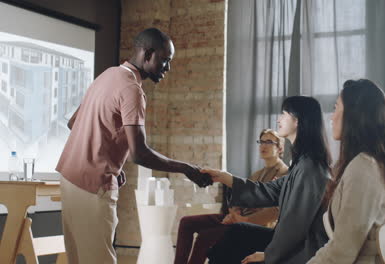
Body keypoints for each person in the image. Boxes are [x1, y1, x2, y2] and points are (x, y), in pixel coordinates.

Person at [56, 28, 210, 264]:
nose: (167, 68)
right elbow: (140, 154)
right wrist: (188, 169)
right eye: (165, 60)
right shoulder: (132, 89)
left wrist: (111, 162)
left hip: (69, 180)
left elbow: (73, 123)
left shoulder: (109, 74)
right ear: (148, 54)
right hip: (92, 184)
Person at [203, 96, 331, 264]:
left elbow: (296, 226)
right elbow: (268, 190)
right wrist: (225, 178)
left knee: (232, 243)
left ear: (298, 120)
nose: (278, 119)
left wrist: (268, 254)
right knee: (237, 233)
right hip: (289, 241)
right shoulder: (302, 163)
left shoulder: (310, 168)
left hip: (302, 250)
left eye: (284, 114)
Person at [307, 79, 385, 263]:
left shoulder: (364, 168)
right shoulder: (378, 164)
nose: (332, 117)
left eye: (336, 108)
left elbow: (341, 253)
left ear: (354, 115)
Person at [174, 129, 288, 264]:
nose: (263, 145)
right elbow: (243, 197)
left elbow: (276, 211)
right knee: (187, 222)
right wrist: (234, 212)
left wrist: (245, 220)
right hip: (238, 217)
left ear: (280, 148)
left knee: (205, 236)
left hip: (254, 224)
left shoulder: (284, 173)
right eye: (261, 142)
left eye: (269, 142)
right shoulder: (257, 174)